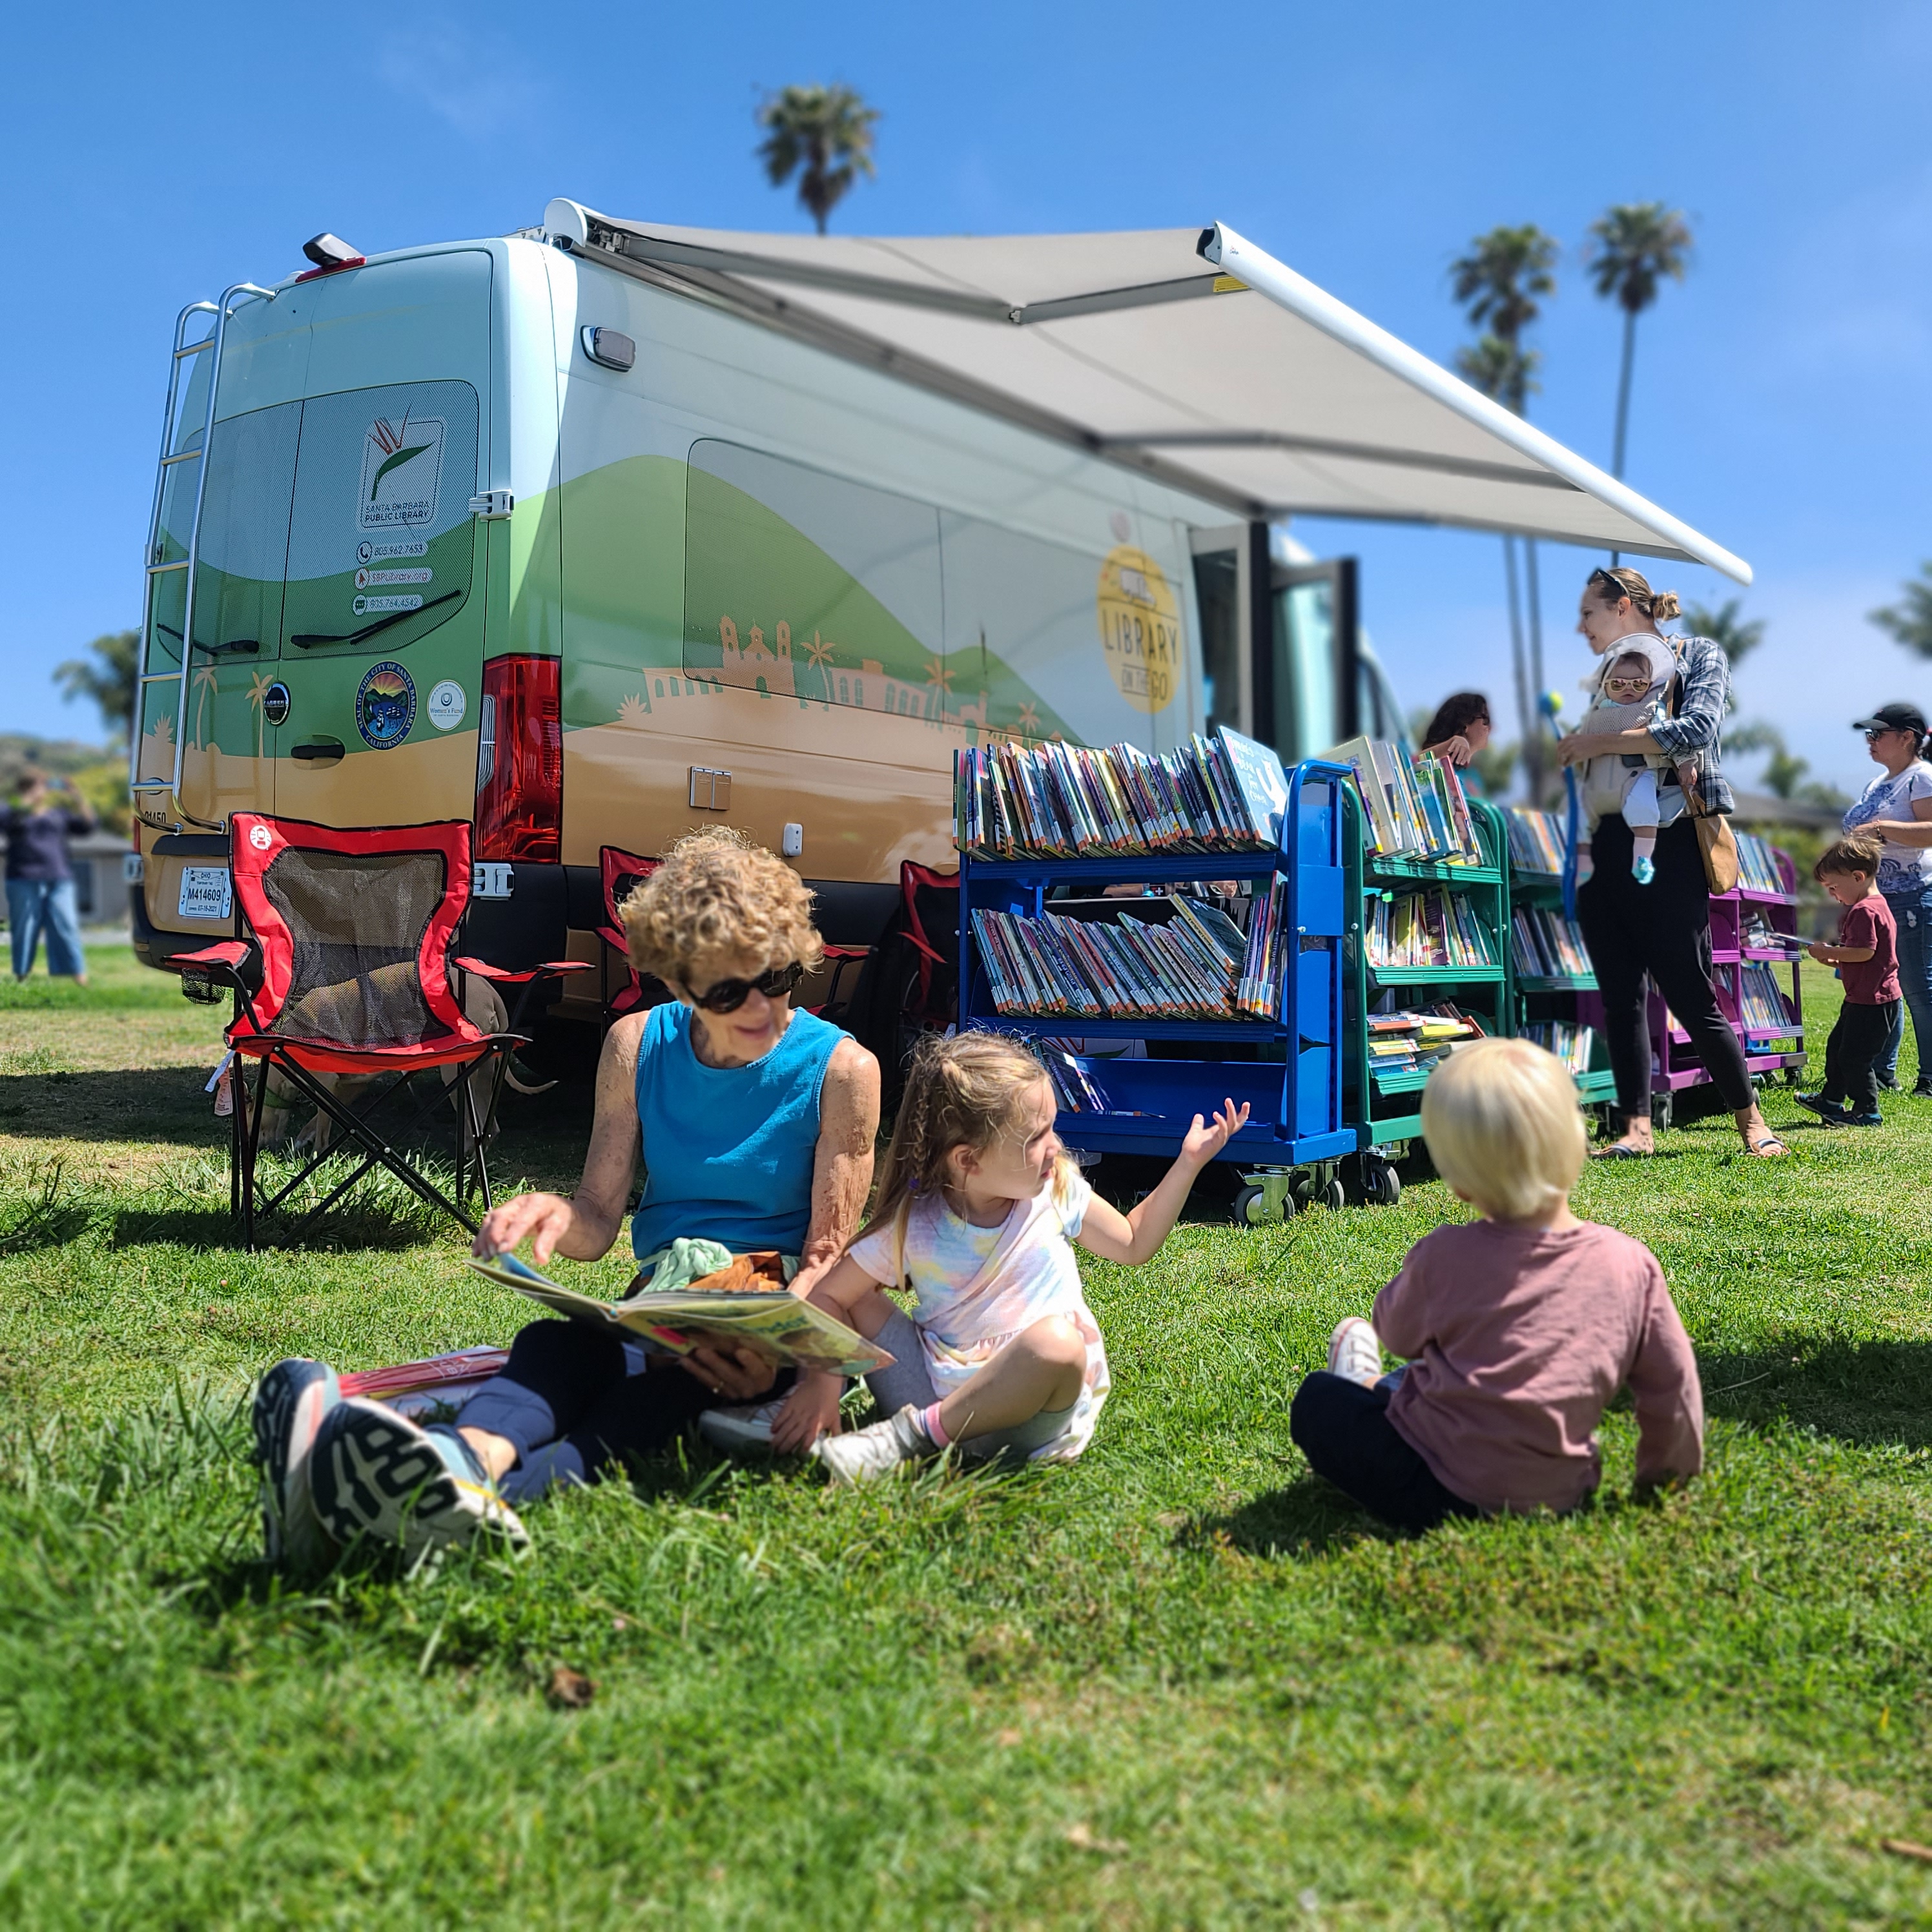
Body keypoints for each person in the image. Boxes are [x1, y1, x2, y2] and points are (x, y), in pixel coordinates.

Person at [249, 829, 881, 1565]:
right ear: (676, 980)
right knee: (558, 1344)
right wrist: (554, 1212)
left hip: (765, 1313)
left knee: (656, 1391)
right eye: (726, 990)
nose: (761, 1007)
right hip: (662, 1305)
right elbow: (597, 1218)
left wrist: (794, 1360)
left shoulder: (842, 1068)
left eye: (775, 976)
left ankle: (503, 1492)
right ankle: (465, 1462)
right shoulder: (636, 1043)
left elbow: (826, 1255)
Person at [773, 1031, 1248, 1484]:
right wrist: (821, 1383)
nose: (1056, 1147)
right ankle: (854, 1419)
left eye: (1051, 1129)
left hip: (1030, 1415)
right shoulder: (916, 1222)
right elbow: (827, 1297)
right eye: (1036, 1137)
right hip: (936, 1389)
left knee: (1058, 1345)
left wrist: (1188, 1163)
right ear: (968, 1161)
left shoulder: (1055, 1188)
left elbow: (1133, 1241)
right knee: (853, 1297)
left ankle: (908, 1439)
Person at [1289, 1038, 1703, 1532]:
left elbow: (1396, 1335)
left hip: (1435, 1491)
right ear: (1575, 1145)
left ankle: (1360, 1384)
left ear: (1459, 1181)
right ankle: (1382, 1388)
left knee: (1319, 1400)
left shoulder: (1444, 1256)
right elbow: (1673, 1386)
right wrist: (1665, 1478)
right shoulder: (1630, 1263)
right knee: (1431, 1376)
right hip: (1562, 1493)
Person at [1552, 566, 1787, 1158]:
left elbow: (1700, 729)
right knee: (1619, 994)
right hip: (1606, 844)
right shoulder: (1605, 675)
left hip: (1672, 838)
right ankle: (1636, 1129)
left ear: (1624, 605)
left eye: (1589, 613)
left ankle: (1752, 1122)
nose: (1581, 628)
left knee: (1688, 986)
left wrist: (1599, 742)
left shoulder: (1696, 653)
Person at [1837, 703, 1932, 1096]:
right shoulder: (1877, 783)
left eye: (1879, 733)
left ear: (1908, 737)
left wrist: (1879, 827)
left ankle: (1929, 1076)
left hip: (1913, 896)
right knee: (1879, 987)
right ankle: (1880, 1072)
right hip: (1876, 901)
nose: (1870, 741)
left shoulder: (1922, 777)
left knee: (1918, 987)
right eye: (1868, 734)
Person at [1570, 639, 1699, 885]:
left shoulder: (1653, 711)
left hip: (1636, 775)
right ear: (1605, 686)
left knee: (1645, 810)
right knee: (1578, 809)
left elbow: (1674, 740)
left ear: (1650, 686)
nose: (1628, 689)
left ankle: (1642, 858)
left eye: (1638, 683)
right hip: (1598, 779)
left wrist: (1685, 763)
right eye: (1618, 683)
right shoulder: (1597, 714)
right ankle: (1583, 858)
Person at [1794, 834, 1899, 1128]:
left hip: (1872, 1002)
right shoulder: (1874, 906)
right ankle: (1831, 1101)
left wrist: (1830, 951)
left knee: (1855, 1057)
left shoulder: (1865, 910)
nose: (1832, 895)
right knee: (1837, 1048)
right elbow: (1867, 954)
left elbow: (1866, 952)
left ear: (1858, 876)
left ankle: (1868, 1111)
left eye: (1833, 887)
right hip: (1863, 998)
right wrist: (1834, 957)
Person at [3, 768, 96, 985]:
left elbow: (88, 826)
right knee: (24, 929)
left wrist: (77, 798)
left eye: (44, 786)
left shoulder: (58, 814)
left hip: (59, 878)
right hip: (22, 878)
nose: (42, 790)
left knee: (66, 925)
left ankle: (78, 975)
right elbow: (7, 821)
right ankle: (21, 975)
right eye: (38, 785)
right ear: (25, 789)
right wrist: (26, 800)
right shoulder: (12, 812)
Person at [1416, 692, 1493, 792]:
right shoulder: (1442, 767)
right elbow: (1411, 768)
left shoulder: (1474, 776)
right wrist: (1448, 746)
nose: (1489, 727)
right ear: (1465, 723)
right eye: (1486, 720)